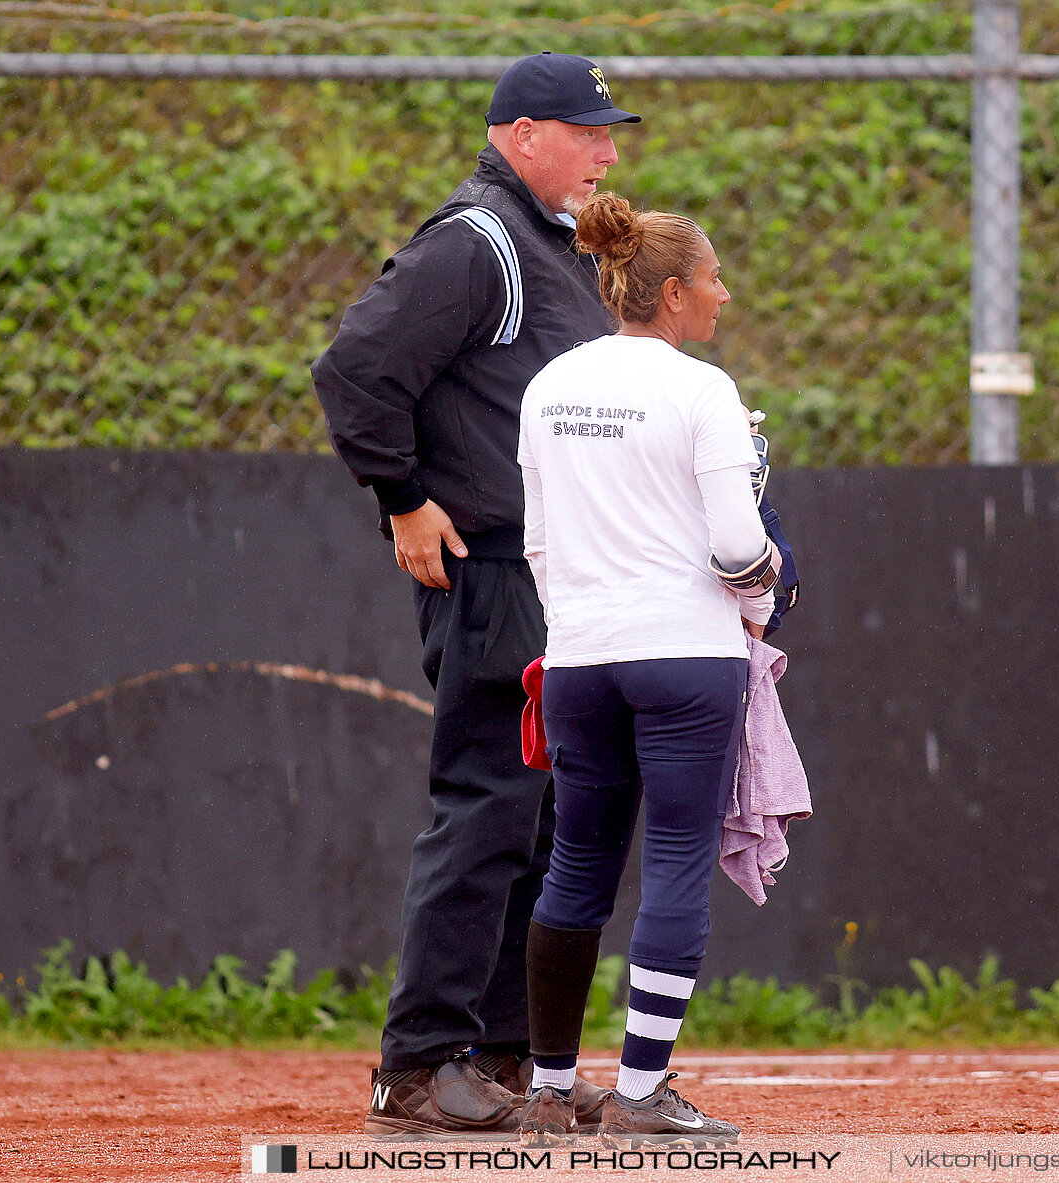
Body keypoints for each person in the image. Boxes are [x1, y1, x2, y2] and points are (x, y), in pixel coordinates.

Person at [309, 52, 639, 1142]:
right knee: (489, 808)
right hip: (493, 570)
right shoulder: (480, 239)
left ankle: (503, 1061)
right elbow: (357, 367)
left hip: (563, 576)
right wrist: (403, 498)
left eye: (609, 132)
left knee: (546, 824)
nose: (607, 151)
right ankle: (416, 1068)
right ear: (522, 132)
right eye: (588, 132)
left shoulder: (547, 244)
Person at [512, 192, 778, 1149]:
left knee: (576, 860)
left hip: (581, 656)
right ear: (672, 292)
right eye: (711, 280)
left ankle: (546, 1093)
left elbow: (539, 545)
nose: (723, 295)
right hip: (684, 657)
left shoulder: (548, 387)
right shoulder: (701, 389)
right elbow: (736, 546)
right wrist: (765, 598)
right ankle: (639, 1093)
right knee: (672, 860)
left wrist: (583, 623)